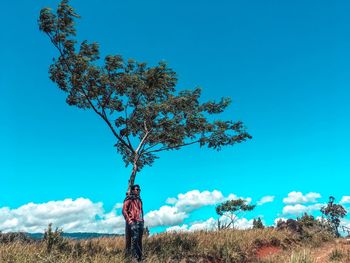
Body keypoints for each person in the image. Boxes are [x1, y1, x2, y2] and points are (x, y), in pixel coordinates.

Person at [122, 184, 144, 261]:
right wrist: (130, 221)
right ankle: (134, 258)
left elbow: (141, 212)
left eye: (139, 190)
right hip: (133, 222)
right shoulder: (129, 199)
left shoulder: (139, 200)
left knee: (139, 241)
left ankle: (140, 258)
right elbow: (124, 211)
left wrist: (142, 221)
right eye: (137, 189)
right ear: (133, 190)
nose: (138, 191)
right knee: (134, 241)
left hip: (140, 223)